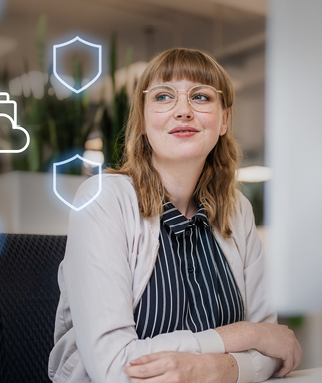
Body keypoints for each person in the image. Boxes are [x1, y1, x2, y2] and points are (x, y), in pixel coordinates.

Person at [48, 48, 302, 383]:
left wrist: (209, 369)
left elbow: (274, 351)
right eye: (164, 96)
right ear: (143, 119)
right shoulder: (103, 200)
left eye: (201, 96)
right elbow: (113, 368)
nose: (183, 111)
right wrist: (245, 335)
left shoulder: (237, 209)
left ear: (224, 119)